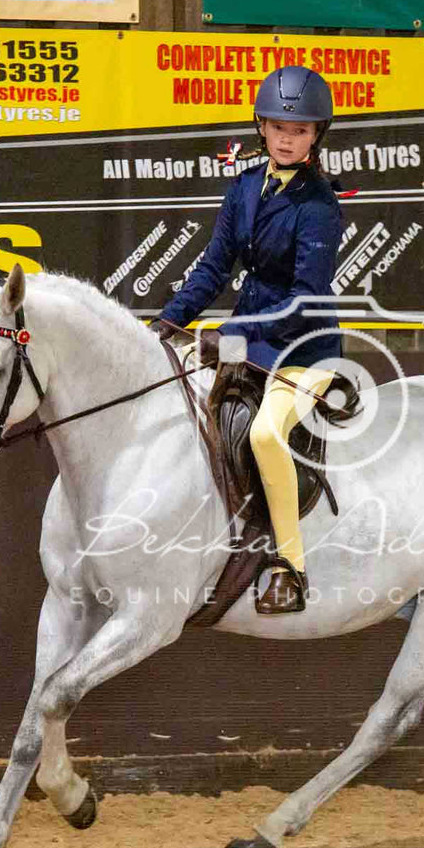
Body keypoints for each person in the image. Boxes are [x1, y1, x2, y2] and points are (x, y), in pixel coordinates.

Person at [150, 66, 342, 615]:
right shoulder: (244, 189)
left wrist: (233, 341)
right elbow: (213, 270)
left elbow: (305, 297)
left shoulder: (319, 207)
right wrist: (168, 324)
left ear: (316, 136)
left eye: (300, 129)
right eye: (279, 125)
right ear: (260, 125)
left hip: (303, 350)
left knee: (262, 435)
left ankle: (290, 566)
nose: (287, 137)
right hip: (247, 336)